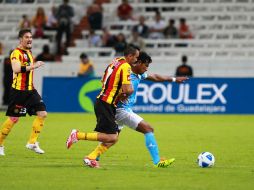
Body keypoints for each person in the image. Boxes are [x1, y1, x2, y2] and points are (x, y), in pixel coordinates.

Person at [84, 52, 188, 168]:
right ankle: (157, 161)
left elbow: (155, 77)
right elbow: (119, 90)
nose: (147, 68)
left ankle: (92, 157)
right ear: (138, 63)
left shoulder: (138, 74)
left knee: (112, 138)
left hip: (119, 110)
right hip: (121, 110)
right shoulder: (128, 75)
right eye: (146, 65)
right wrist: (121, 97)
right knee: (148, 129)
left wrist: (174, 79)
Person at [66, 46, 139, 167]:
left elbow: (102, 79)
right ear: (130, 56)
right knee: (112, 137)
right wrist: (127, 92)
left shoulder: (116, 61)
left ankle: (91, 158)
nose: (136, 60)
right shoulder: (126, 66)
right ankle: (77, 135)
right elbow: (128, 89)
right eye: (136, 57)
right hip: (106, 103)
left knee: (113, 137)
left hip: (103, 101)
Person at [0, 29, 47, 156]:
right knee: (14, 119)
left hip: (30, 91)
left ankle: (32, 142)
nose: (30, 39)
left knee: (42, 113)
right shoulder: (16, 53)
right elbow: (16, 68)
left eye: (31, 37)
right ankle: (0, 144)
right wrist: (34, 65)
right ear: (21, 39)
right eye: (27, 37)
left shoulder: (29, 52)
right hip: (19, 92)